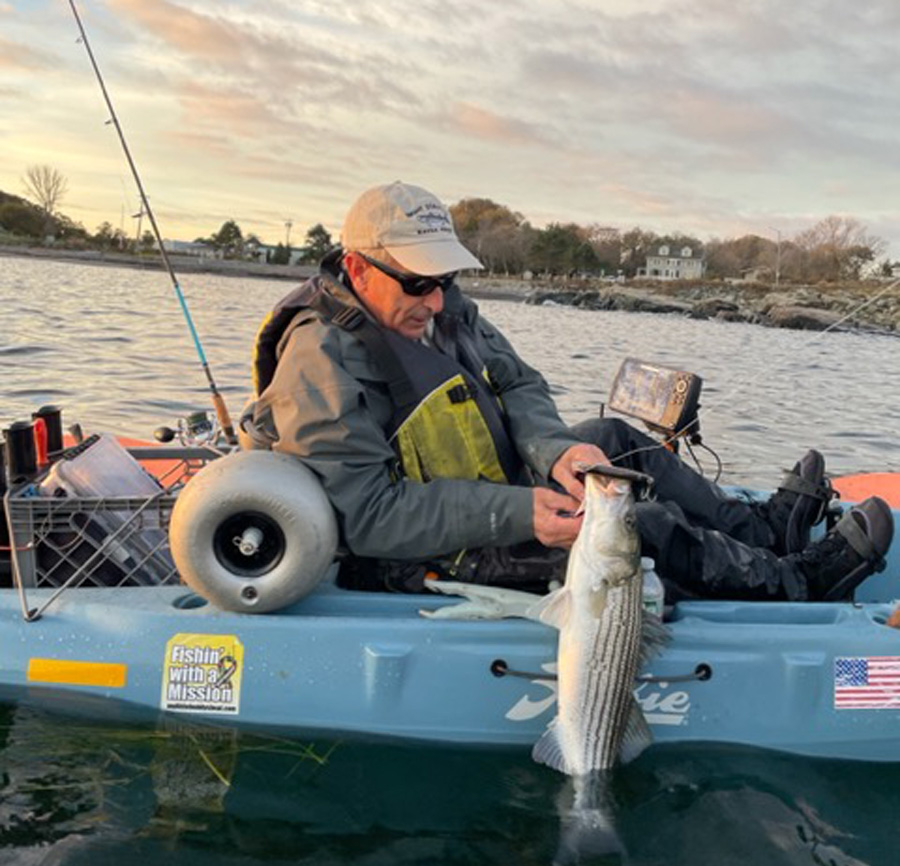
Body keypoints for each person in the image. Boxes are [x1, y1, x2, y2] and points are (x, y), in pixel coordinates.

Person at [242, 181, 893, 603]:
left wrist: (553, 450)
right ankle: (800, 585)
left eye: (443, 277)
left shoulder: (444, 308)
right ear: (357, 268)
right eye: (418, 282)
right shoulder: (318, 363)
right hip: (417, 554)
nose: (436, 298)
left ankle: (767, 531)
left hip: (489, 486)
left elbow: (519, 380)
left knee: (613, 443)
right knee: (635, 526)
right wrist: (522, 512)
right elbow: (372, 516)